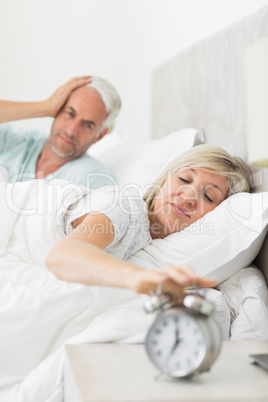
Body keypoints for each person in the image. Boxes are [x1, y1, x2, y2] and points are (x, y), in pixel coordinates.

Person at [45, 144, 251, 297]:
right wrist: (137, 277)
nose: (188, 196)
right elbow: (62, 256)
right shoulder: (125, 206)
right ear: (164, 180)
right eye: (184, 179)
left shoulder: (156, 243)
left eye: (208, 197)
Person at [0, 76, 121, 188]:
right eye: (70, 113)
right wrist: (45, 106)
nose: (71, 130)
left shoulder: (93, 178)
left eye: (87, 125)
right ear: (57, 110)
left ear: (99, 136)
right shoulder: (13, 142)